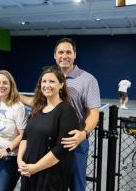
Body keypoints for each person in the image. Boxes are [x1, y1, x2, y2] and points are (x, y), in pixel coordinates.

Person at [20, 38, 101, 191]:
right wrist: (15, 96)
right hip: (48, 142)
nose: (64, 56)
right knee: (50, 183)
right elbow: (40, 104)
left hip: (73, 142)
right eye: (61, 52)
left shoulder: (88, 80)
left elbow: (94, 113)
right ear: (55, 55)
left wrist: (83, 134)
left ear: (75, 55)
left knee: (76, 185)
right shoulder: (49, 77)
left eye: (68, 52)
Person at [17, 66, 79, 191]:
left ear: (61, 84)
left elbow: (61, 149)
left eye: (52, 81)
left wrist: (35, 168)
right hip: (28, 172)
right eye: (44, 81)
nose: (47, 85)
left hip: (50, 176)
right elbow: (26, 137)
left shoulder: (67, 111)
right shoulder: (37, 109)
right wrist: (20, 160)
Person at [0, 70, 27, 191]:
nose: (1, 86)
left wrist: (7, 150)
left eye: (5, 83)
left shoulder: (18, 107)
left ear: (11, 85)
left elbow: (23, 135)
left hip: (9, 159)